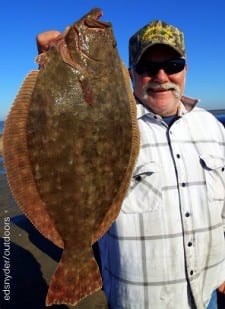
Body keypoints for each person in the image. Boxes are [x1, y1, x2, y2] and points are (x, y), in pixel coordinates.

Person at [37, 20, 225, 309]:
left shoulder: (213, 128)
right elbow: (59, 134)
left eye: (173, 64)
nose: (161, 76)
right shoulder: (106, 124)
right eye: (147, 68)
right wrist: (55, 69)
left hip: (207, 295)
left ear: (185, 69)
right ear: (130, 74)